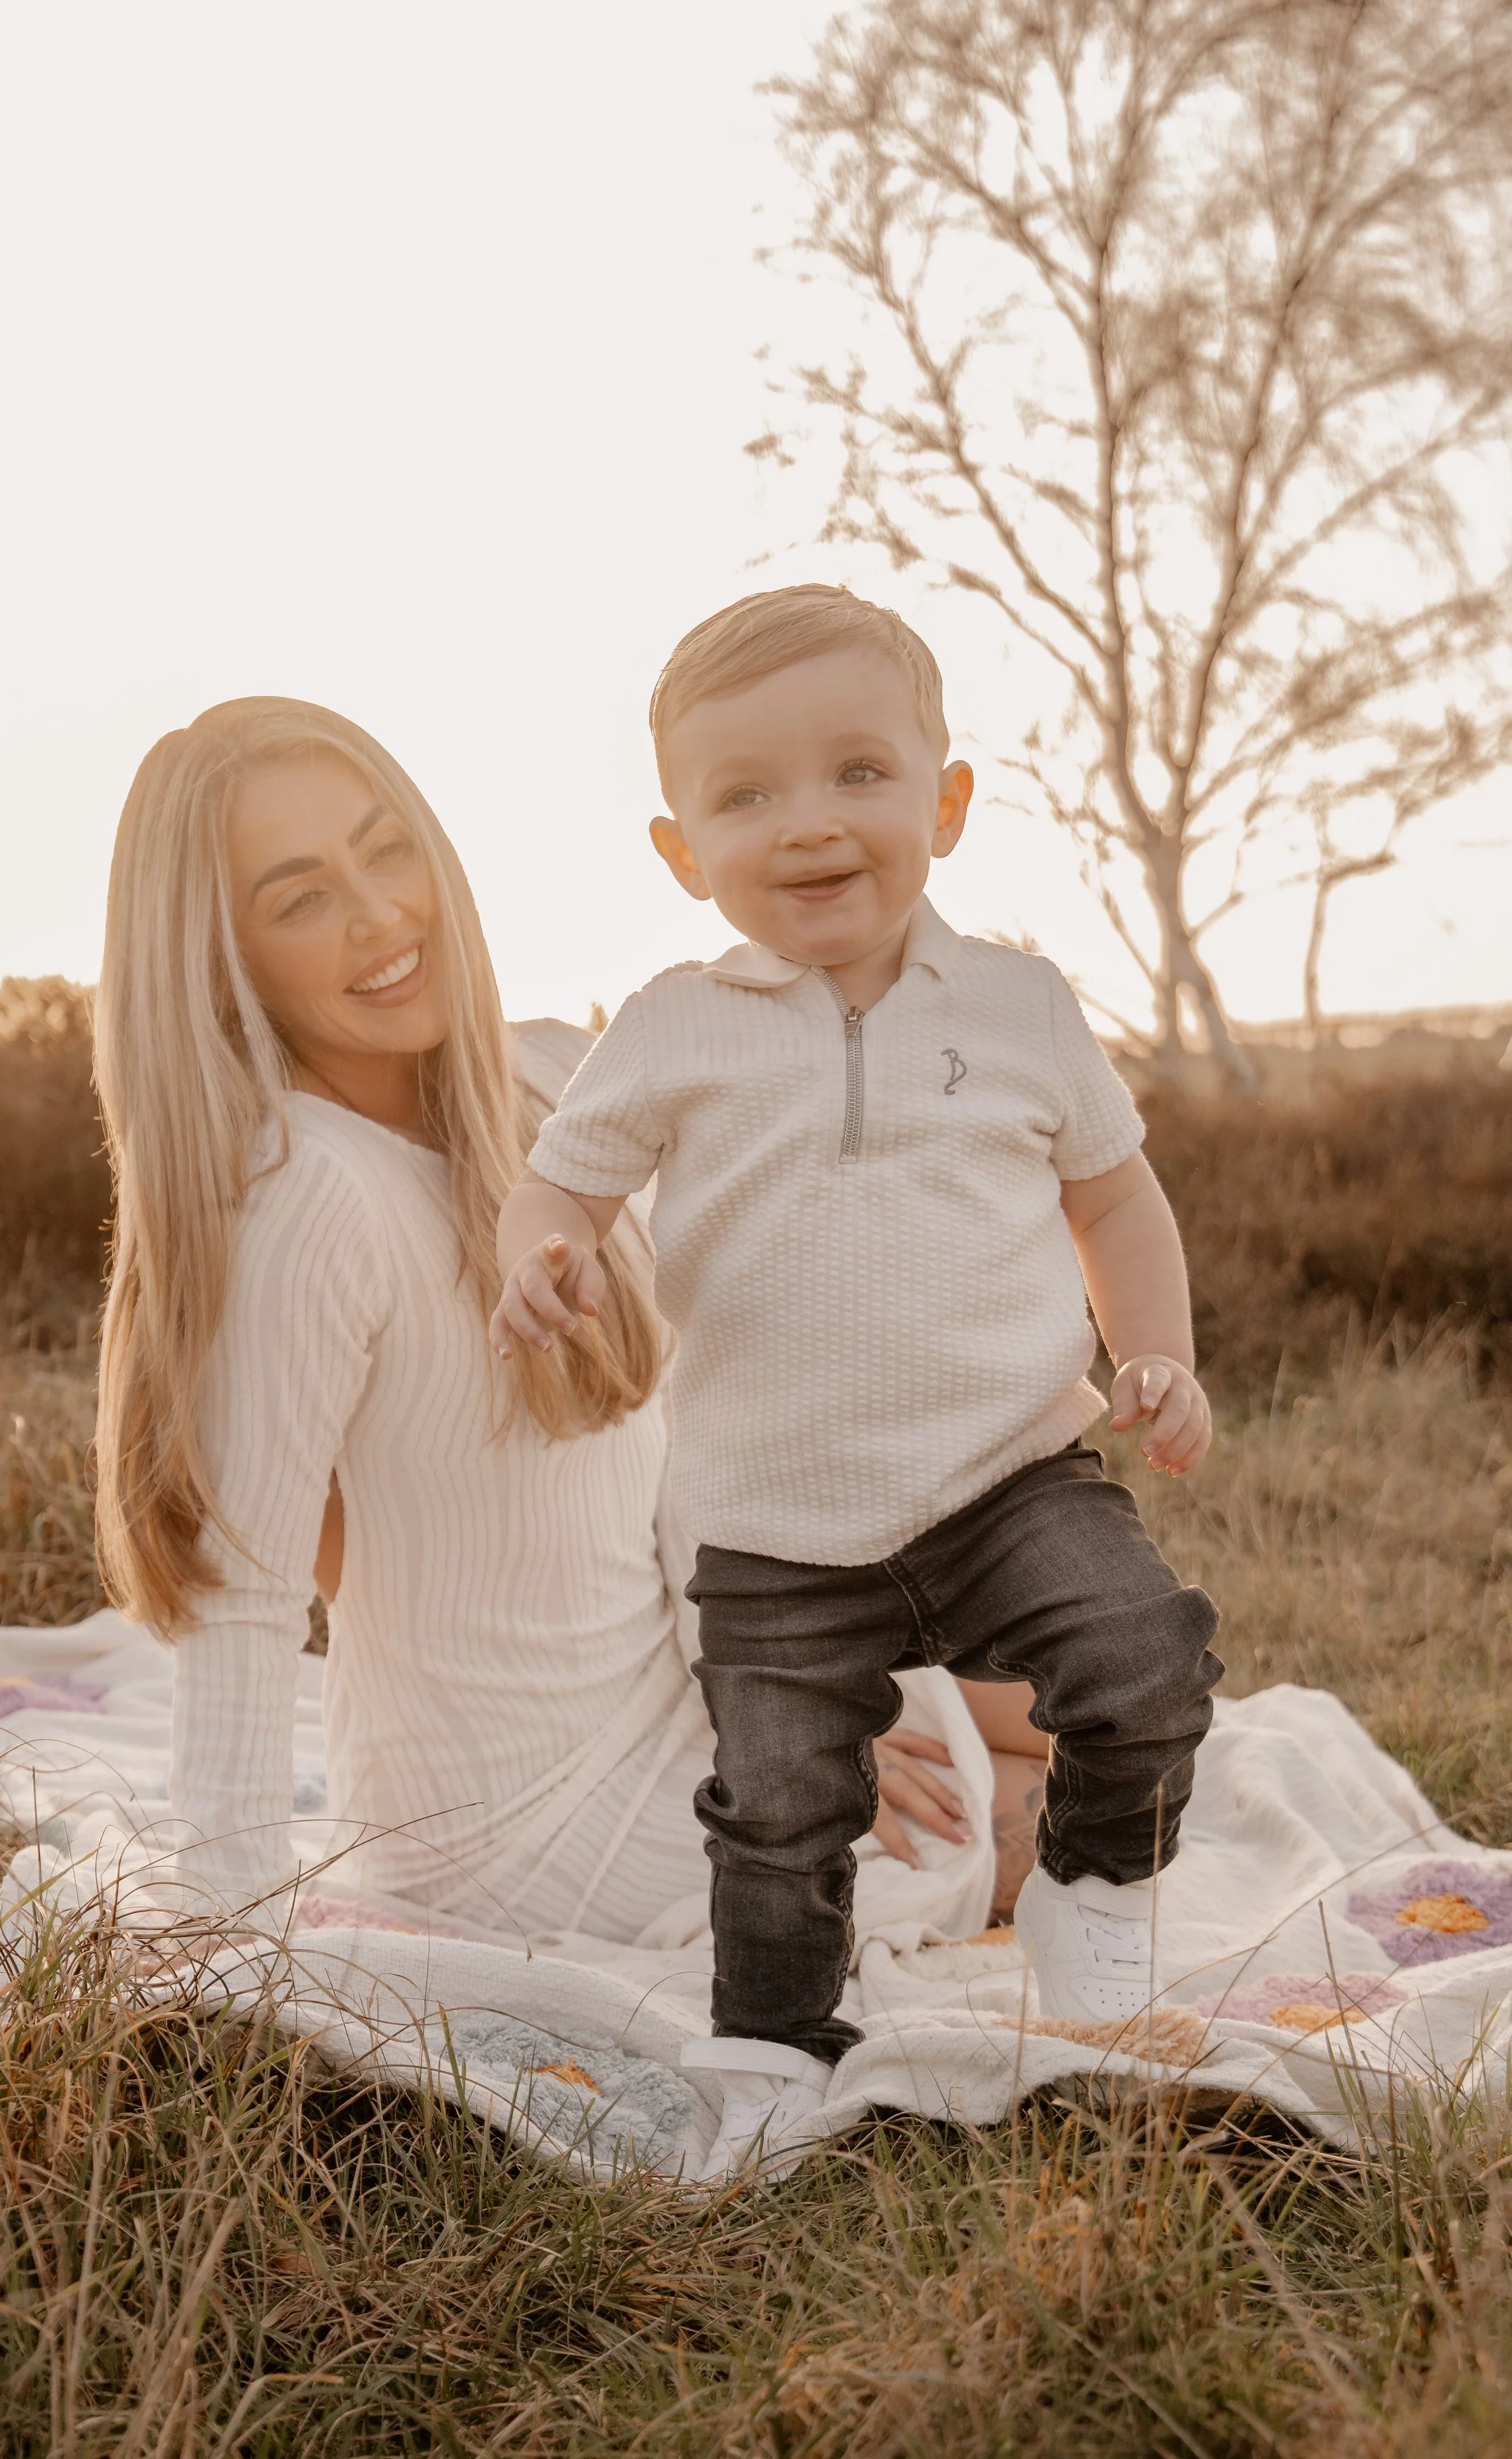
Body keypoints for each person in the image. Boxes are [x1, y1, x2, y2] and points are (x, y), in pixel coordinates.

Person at [91, 693, 1043, 1962]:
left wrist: (781, 1703)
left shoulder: (549, 1079)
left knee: (1069, 1685)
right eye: (302, 898)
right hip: (516, 1823)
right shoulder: (309, 1196)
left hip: (678, 1675)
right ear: (226, 961)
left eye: (387, 851)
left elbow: (696, 1434)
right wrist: (227, 1948)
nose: (380, 915)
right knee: (1053, 1806)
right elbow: (244, 1600)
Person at [492, 586, 1224, 2174]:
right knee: (777, 1804)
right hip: (773, 1521)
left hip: (1006, 1475)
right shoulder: (672, 1027)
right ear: (683, 852)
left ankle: (1093, 1899)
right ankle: (775, 2037)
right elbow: (560, 1181)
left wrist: (1154, 1349)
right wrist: (540, 1251)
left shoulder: (1022, 1008)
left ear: (943, 805)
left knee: (1145, 1657)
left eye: (858, 773)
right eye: (747, 794)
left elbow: (1113, 1200)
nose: (809, 822)